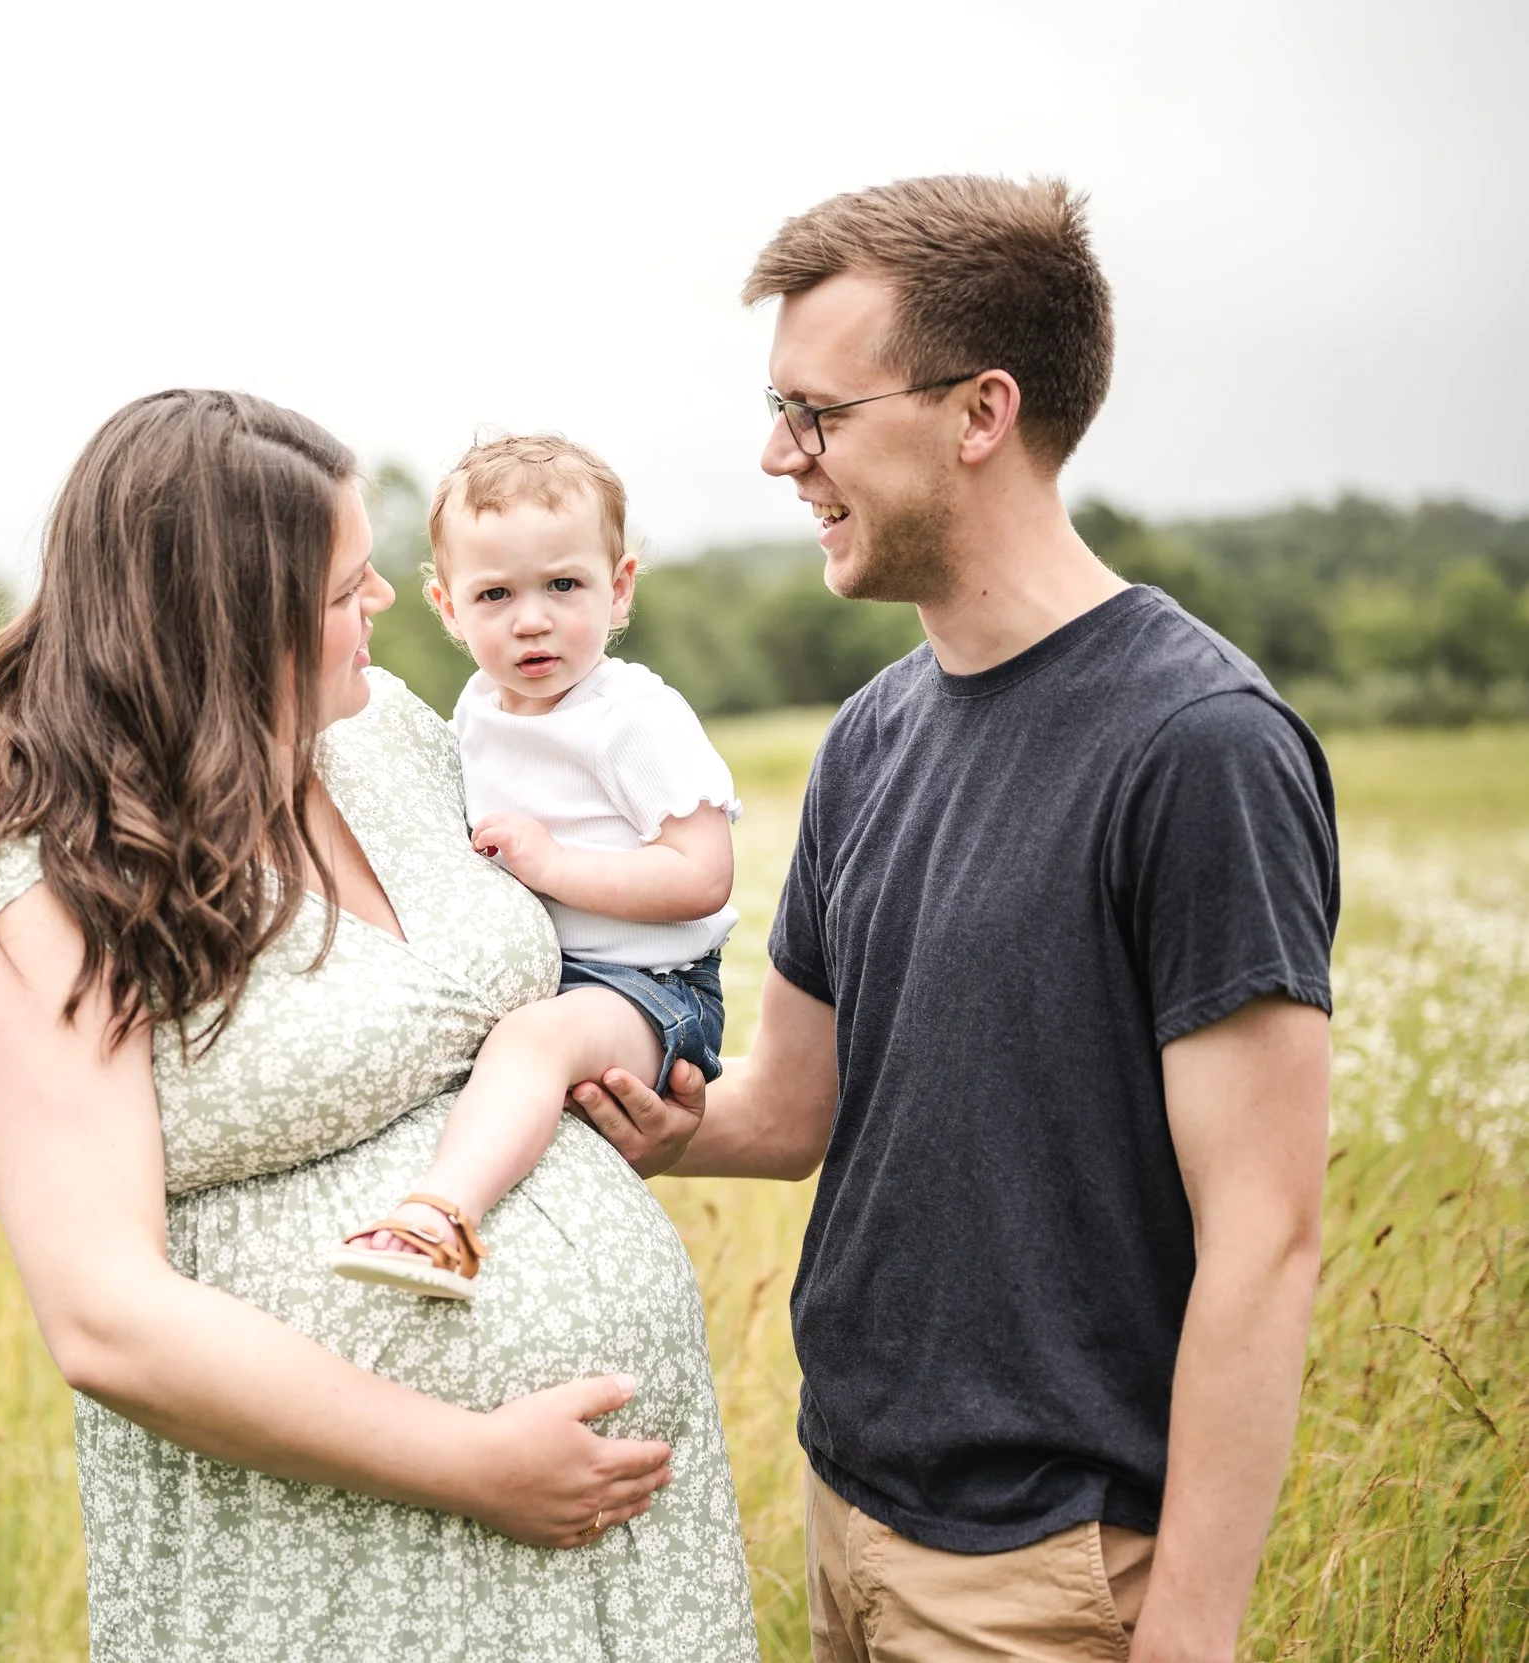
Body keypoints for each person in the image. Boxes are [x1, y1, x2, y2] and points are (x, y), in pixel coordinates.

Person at [572, 176, 1337, 1662]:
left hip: (1051, 1571)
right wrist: (591, 1089)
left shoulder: (1201, 744)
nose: (780, 455)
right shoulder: (871, 734)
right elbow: (791, 1107)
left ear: (980, 411)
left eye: (818, 413)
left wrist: (1190, 1625)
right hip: (847, 1510)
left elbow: (1270, 1233)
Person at [0, 389, 758, 1661]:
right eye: (350, 582)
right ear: (231, 612)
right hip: (341, 1578)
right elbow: (107, 1319)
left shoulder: (388, 735)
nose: (390, 605)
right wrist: (473, 1461)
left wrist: (630, 1099)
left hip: (622, 1573)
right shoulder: (44, 889)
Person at [331, 434, 737, 1300]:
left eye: (563, 585)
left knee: (531, 1041)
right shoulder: (477, 707)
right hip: (565, 981)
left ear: (618, 586)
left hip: (652, 985)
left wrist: (552, 864)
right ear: (446, 606)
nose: (531, 619)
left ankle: (440, 1219)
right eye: (495, 594)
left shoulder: (631, 715)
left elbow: (701, 876)